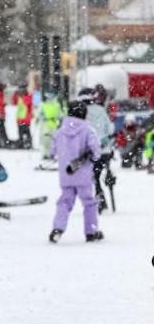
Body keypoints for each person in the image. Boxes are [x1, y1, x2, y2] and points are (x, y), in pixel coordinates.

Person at [50, 99, 103, 244]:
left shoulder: (60, 131)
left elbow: (52, 151)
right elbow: (96, 151)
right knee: (89, 203)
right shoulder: (88, 130)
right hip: (83, 175)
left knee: (64, 202)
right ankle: (91, 231)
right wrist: (93, 156)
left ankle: (58, 228)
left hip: (66, 174)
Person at [78, 88, 115, 212]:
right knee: (98, 173)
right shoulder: (101, 110)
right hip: (105, 151)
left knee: (93, 176)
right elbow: (110, 129)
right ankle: (102, 196)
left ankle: (99, 198)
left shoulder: (80, 114)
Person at [13, 84, 34, 149]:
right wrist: (15, 93)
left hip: (25, 118)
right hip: (20, 118)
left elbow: (27, 103)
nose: (21, 91)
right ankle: (22, 144)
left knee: (26, 132)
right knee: (21, 133)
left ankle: (28, 144)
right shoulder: (20, 97)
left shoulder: (27, 97)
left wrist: (21, 96)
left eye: (22, 89)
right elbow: (14, 102)